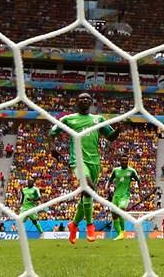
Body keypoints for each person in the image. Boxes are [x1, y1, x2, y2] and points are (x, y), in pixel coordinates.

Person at [48, 93, 119, 244]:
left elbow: (111, 137)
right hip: (77, 160)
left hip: (94, 162)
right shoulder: (68, 119)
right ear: (76, 102)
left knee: (87, 195)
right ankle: (90, 226)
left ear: (91, 102)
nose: (85, 100)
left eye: (88, 98)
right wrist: (52, 147)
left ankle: (73, 225)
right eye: (82, 98)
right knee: (88, 188)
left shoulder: (98, 119)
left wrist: (118, 130)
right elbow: (52, 133)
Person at [105, 157, 139, 241]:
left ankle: (123, 230)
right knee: (114, 215)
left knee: (121, 209)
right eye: (123, 160)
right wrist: (107, 187)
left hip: (125, 195)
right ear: (120, 161)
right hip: (116, 195)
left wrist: (140, 191)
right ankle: (120, 233)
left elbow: (138, 180)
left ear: (127, 161)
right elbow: (110, 179)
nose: (124, 162)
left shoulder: (131, 171)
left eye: (125, 160)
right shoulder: (116, 170)